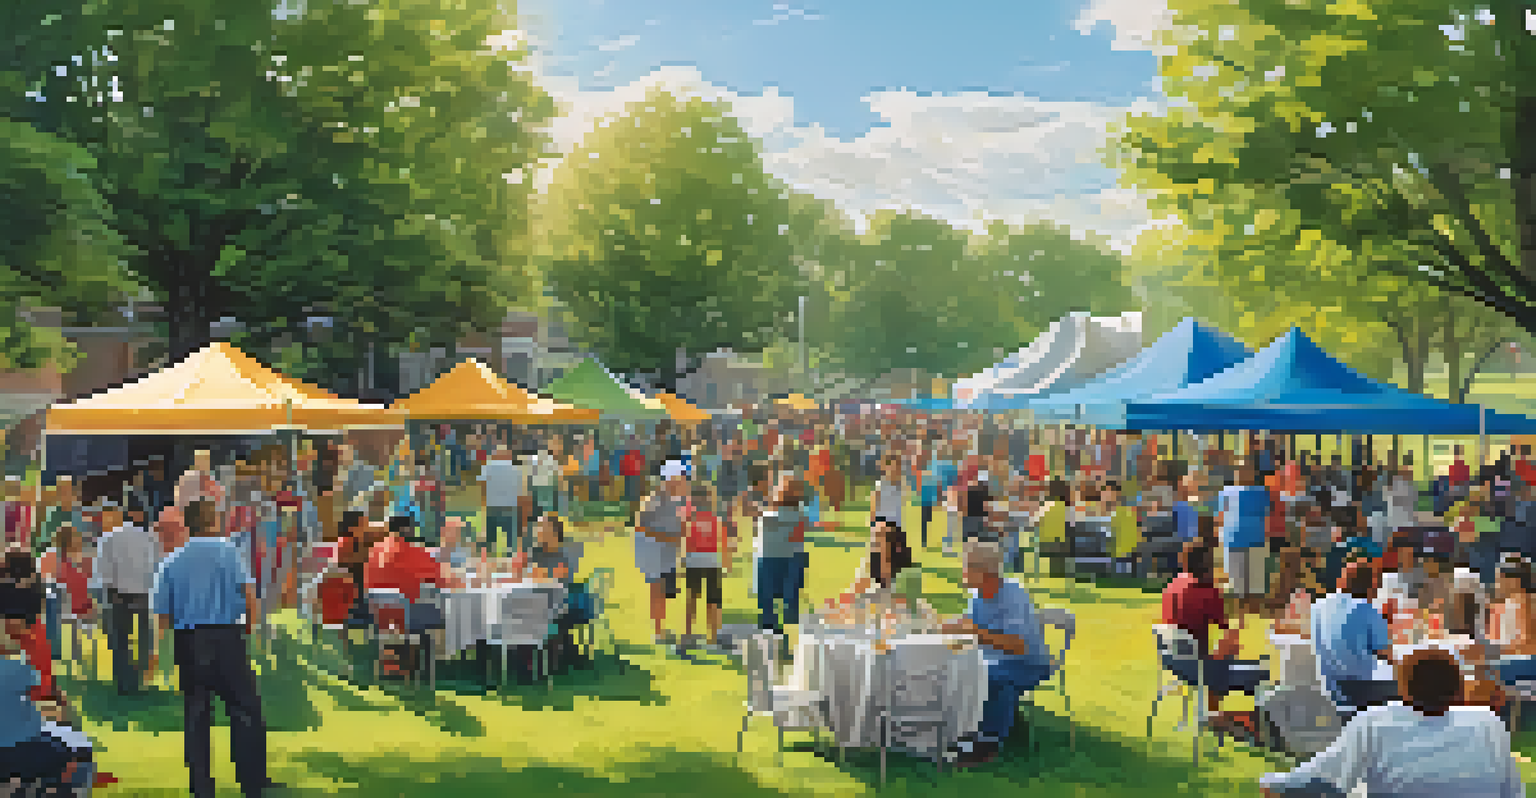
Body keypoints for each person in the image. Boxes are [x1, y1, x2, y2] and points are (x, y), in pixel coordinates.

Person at [1258, 648, 1524, 798]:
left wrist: (1272, 784)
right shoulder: (1489, 724)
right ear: (1458, 690)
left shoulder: (1376, 722)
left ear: (1404, 688)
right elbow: (1513, 793)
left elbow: (1321, 774)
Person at [151, 498, 280, 797]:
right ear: (214, 520)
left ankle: (202, 787)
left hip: (189, 641)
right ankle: (252, 781)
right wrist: (250, 628)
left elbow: (161, 615)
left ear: (187, 524)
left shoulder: (171, 561)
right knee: (245, 710)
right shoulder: (229, 552)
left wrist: (156, 652)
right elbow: (249, 595)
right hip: (226, 637)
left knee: (196, 715)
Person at [940, 542, 1053, 767]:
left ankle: (985, 746)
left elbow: (1018, 646)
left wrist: (974, 631)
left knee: (991, 677)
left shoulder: (1012, 595)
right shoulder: (977, 594)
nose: (962, 572)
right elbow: (971, 627)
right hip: (994, 661)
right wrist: (946, 626)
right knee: (957, 669)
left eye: (967, 567)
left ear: (985, 572)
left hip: (1027, 663)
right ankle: (963, 734)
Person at [0, 559, 95, 792]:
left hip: (23, 731)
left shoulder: (30, 643)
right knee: (75, 753)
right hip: (19, 742)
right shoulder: (18, 662)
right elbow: (40, 704)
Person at [1160, 541, 1269, 716]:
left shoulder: (1174, 584)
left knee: (1224, 656)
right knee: (1260, 671)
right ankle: (1221, 717)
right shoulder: (1206, 591)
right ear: (1208, 565)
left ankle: (1212, 712)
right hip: (1198, 669)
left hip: (1172, 661)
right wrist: (1240, 618)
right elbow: (1227, 633)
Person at [96, 498, 162, 695]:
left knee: (120, 640)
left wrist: (109, 589)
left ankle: (124, 682)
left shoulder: (109, 537)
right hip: (142, 593)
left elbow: (103, 571)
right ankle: (141, 680)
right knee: (142, 638)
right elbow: (155, 567)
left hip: (117, 593)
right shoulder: (149, 538)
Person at [1312, 561, 1393, 708]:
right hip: (1360, 693)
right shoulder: (1368, 610)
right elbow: (1388, 655)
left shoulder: (1317, 607)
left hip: (1325, 690)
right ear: (1372, 587)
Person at [635, 461, 688, 645]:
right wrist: (667, 538)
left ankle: (661, 629)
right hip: (654, 554)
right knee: (657, 591)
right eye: (681, 476)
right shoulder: (655, 499)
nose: (684, 480)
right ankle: (658, 633)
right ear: (671, 478)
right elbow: (640, 526)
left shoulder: (677, 499)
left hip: (668, 555)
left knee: (665, 593)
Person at [755, 475, 809, 636]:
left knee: (781, 597)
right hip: (778, 556)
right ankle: (778, 628)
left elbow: (797, 535)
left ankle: (779, 628)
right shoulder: (794, 514)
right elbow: (797, 535)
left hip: (782, 556)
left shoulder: (795, 514)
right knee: (781, 596)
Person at [1218, 465, 1271, 618]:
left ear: (1253, 473)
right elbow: (1221, 515)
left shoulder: (1262, 492)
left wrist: (1266, 538)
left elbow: (1266, 516)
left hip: (1256, 540)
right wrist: (1220, 537)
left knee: (1255, 583)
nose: (1242, 473)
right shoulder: (1225, 492)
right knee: (1236, 584)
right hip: (1233, 540)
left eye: (1246, 470)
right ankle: (1240, 614)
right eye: (1239, 470)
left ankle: (1254, 614)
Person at [682, 483, 727, 650]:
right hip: (711, 561)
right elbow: (721, 541)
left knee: (692, 599)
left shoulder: (690, 518)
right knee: (712, 601)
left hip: (694, 560)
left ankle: (688, 636)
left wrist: (683, 560)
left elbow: (687, 541)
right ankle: (712, 638)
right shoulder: (715, 518)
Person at [850, 519, 922, 604]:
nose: (874, 541)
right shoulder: (869, 563)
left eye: (879, 536)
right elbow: (855, 593)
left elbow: (907, 601)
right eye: (874, 536)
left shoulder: (909, 572)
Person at [478, 446, 528, 556]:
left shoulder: (488, 467)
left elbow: (482, 486)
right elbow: (520, 493)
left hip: (492, 507)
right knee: (511, 541)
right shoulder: (516, 470)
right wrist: (522, 511)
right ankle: (511, 558)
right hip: (509, 507)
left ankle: (488, 558)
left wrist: (484, 501)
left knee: (490, 540)